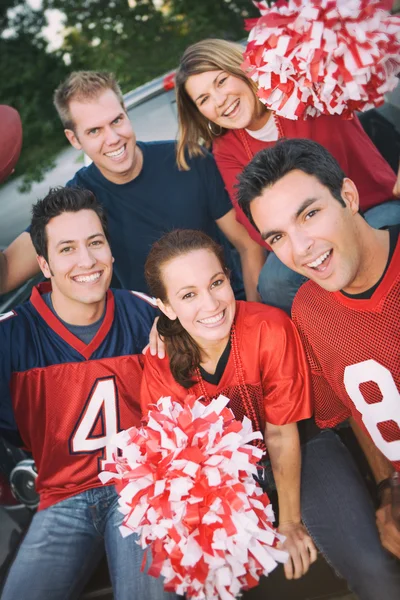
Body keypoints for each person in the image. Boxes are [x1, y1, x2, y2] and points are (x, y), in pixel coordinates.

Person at [236, 138, 400, 595]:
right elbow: (359, 408)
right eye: (277, 237)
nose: (302, 248)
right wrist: (388, 490)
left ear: (348, 196)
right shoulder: (308, 309)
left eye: (309, 214)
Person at [0, 187, 174, 600]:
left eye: (95, 243)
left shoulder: (148, 315)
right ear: (43, 264)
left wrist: (175, 331)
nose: (87, 261)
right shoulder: (11, 337)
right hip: (62, 497)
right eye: (67, 249)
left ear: (111, 250)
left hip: (137, 490)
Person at [140, 228, 317, 581]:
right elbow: (181, 470)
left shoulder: (270, 328)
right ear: (165, 308)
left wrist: (291, 522)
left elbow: (282, 435)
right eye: (188, 295)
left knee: (355, 552)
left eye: (216, 283)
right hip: (226, 482)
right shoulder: (160, 364)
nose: (211, 304)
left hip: (299, 447)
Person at [175, 38, 400, 313]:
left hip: (372, 207)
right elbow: (254, 225)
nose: (219, 101)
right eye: (204, 100)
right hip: (301, 235)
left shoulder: (304, 87)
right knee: (274, 282)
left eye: (221, 82)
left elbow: (372, 71)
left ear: (242, 68)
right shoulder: (226, 148)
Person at [0, 71, 264, 303]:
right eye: (94, 131)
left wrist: (257, 316)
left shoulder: (189, 160)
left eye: (116, 121)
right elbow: (6, 273)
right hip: (153, 337)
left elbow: (248, 245)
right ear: (74, 139)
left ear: (126, 113)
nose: (113, 139)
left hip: (222, 307)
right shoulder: (76, 201)